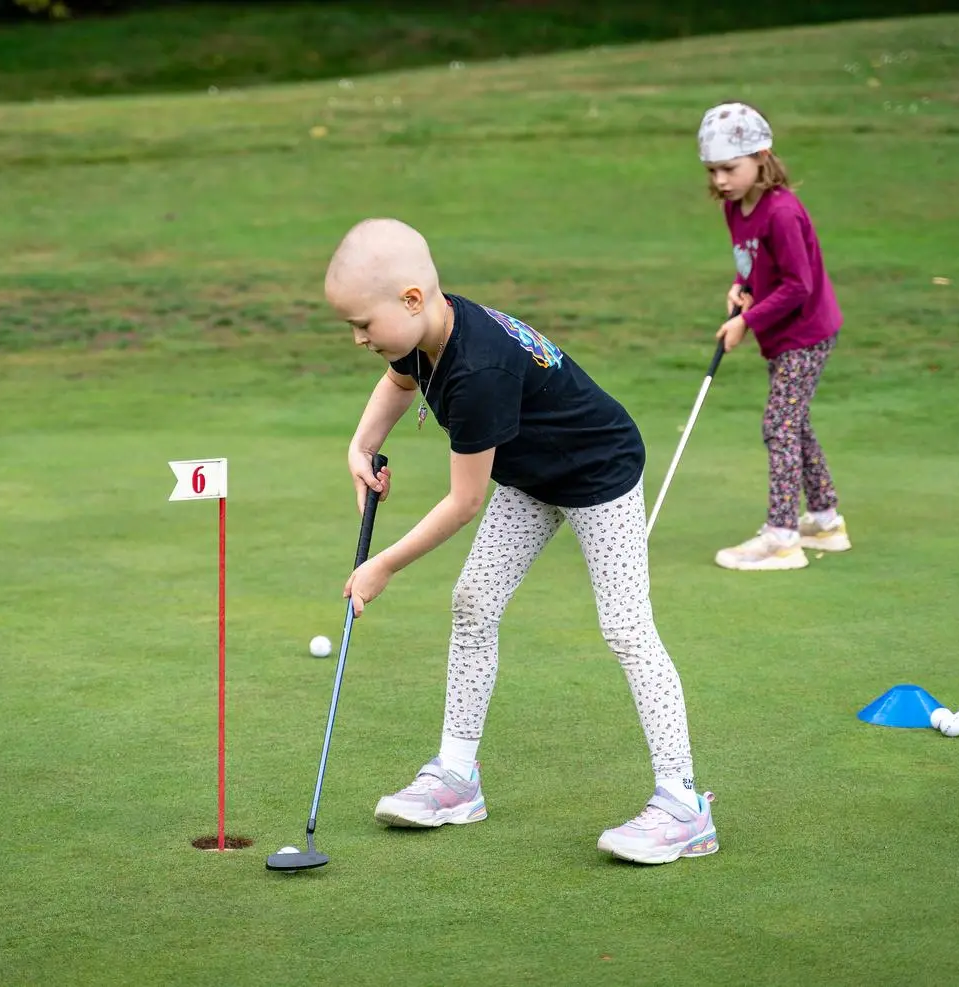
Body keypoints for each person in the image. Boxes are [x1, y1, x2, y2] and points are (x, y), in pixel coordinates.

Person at [324, 217, 717, 865]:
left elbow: (464, 500)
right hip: (533, 475)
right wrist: (361, 445)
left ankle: (683, 804)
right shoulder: (421, 334)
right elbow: (399, 380)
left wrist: (383, 565)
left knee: (626, 627)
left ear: (413, 300)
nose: (360, 337)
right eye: (353, 326)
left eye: (363, 323)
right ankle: (456, 778)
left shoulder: (478, 369)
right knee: (473, 602)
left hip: (599, 470)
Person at [698, 102, 852, 571]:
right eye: (713, 170)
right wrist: (741, 287)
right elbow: (756, 265)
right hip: (781, 333)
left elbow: (798, 284)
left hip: (806, 333)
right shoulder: (734, 208)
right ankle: (825, 522)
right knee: (794, 423)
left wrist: (747, 320)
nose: (721, 179)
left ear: (761, 157)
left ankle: (783, 537)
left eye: (730, 168)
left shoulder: (782, 212)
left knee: (779, 425)